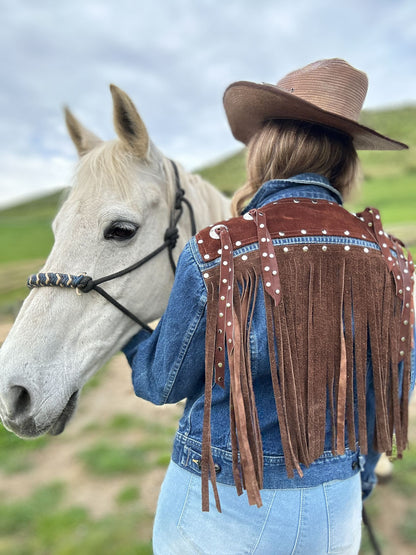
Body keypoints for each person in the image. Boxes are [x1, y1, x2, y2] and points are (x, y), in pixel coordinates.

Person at [123, 59, 415, 554]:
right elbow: (391, 389)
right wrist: (358, 480)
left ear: (264, 150)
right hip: (335, 509)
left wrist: (127, 332)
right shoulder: (392, 258)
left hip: (220, 509)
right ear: (345, 162)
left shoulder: (219, 249)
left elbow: (161, 382)